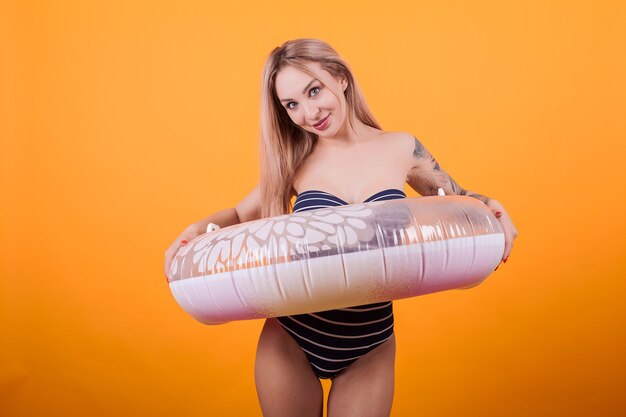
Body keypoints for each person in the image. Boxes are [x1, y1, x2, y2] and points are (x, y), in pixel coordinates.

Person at [164, 38, 518, 417]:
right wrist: (192, 234)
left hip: (370, 343)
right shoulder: (295, 163)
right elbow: (237, 215)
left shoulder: (401, 148)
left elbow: (457, 198)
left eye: (314, 90)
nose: (309, 112)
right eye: (292, 104)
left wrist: (491, 205)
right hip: (292, 339)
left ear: (340, 78)